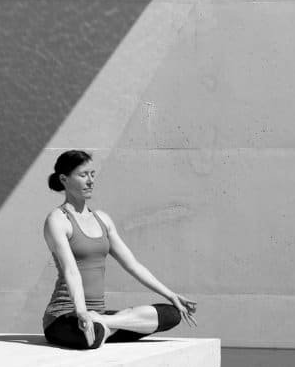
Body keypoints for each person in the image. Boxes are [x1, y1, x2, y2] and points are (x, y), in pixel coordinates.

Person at [42, 150, 197, 349]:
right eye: (83, 175)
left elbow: (133, 265)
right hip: (64, 317)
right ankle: (102, 326)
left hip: (99, 315)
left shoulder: (103, 219)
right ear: (64, 179)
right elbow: (71, 271)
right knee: (91, 337)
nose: (90, 181)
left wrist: (171, 295)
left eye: (92, 174)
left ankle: (106, 324)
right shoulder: (57, 220)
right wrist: (81, 312)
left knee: (171, 315)